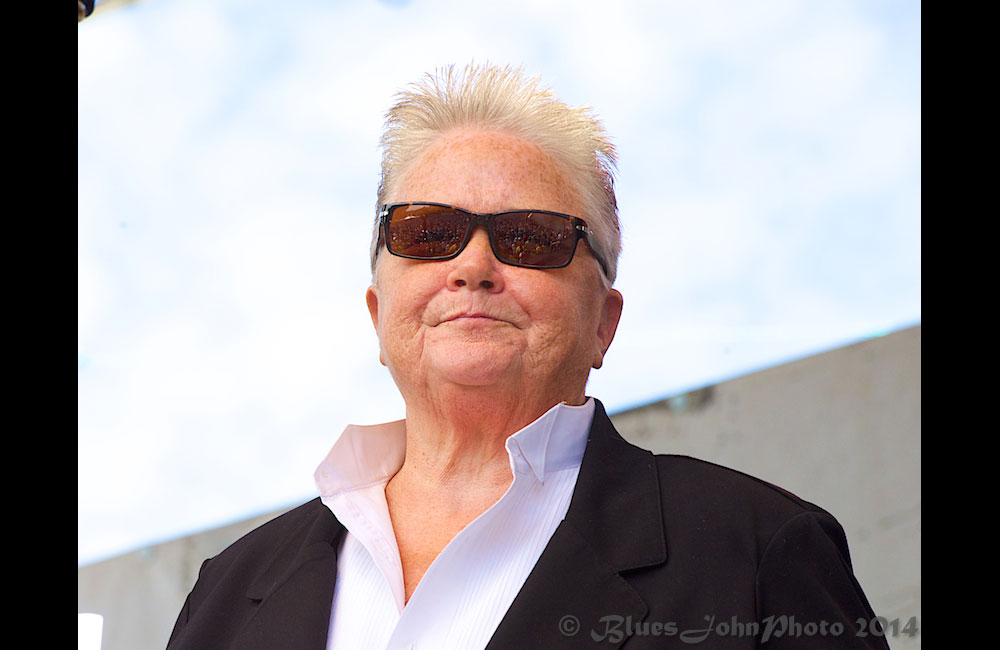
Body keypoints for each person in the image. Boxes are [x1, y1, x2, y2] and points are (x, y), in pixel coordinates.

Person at [166, 63, 890, 650]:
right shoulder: (231, 590)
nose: (474, 266)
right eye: (427, 232)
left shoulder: (755, 551)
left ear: (603, 324)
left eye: (532, 239)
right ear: (378, 311)